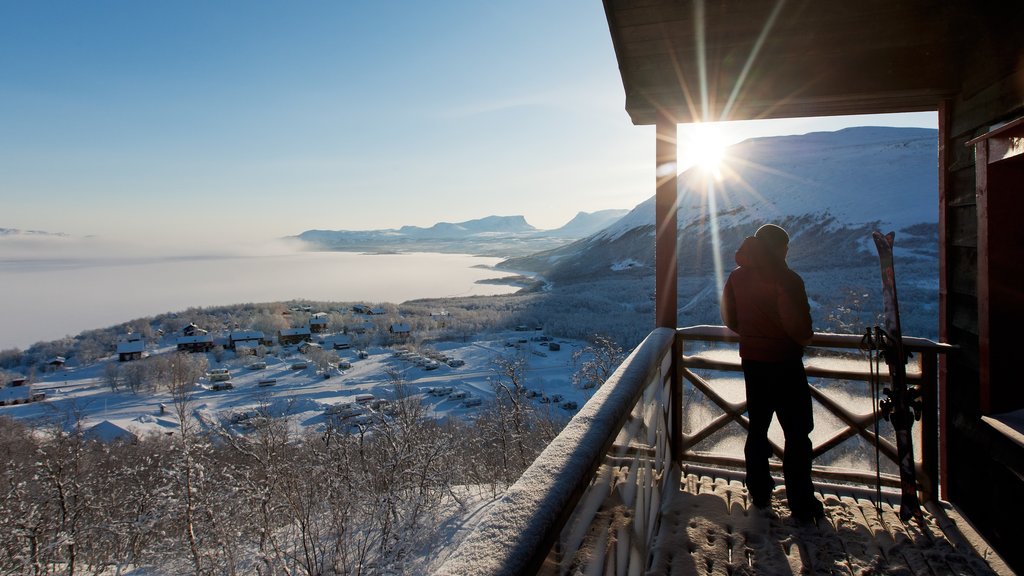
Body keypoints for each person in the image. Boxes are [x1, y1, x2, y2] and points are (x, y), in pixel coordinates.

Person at [721, 223, 824, 521]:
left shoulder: (737, 276)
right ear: (778, 247)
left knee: (758, 427)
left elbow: (729, 316)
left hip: (752, 362)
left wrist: (752, 336)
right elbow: (798, 326)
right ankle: (801, 503)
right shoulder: (786, 278)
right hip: (785, 362)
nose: (788, 251)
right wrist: (803, 338)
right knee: (797, 432)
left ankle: (760, 492)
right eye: (786, 246)